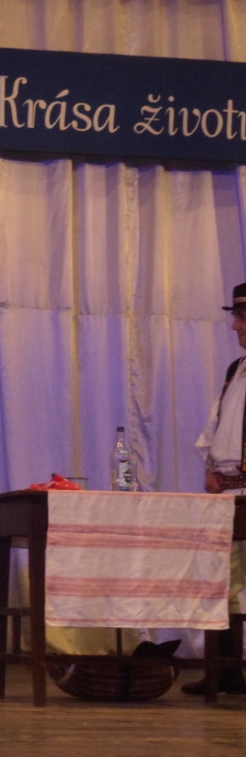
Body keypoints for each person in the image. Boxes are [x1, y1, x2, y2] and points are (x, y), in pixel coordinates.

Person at [183, 281, 246, 695]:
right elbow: (218, 423)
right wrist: (210, 465)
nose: (235, 326)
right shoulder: (235, 370)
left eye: (241, 318)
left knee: (235, 579)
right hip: (229, 494)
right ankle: (225, 670)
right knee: (223, 580)